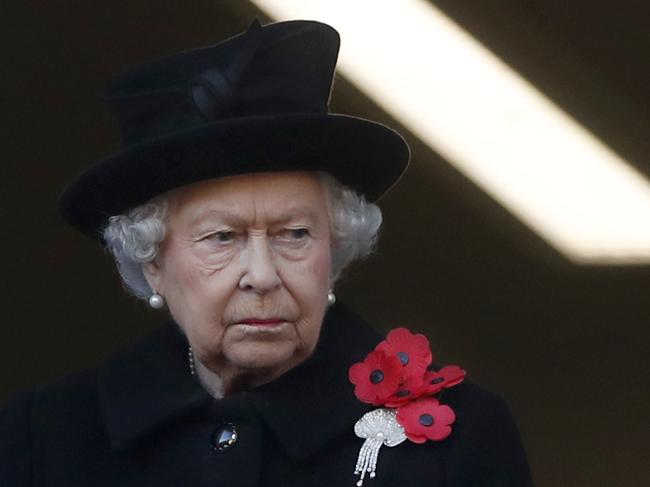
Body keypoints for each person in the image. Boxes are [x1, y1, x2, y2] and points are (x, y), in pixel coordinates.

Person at [0, 19, 533, 486]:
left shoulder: (457, 441)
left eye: (294, 234)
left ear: (336, 246)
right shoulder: (47, 438)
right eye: (221, 238)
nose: (262, 274)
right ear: (153, 263)